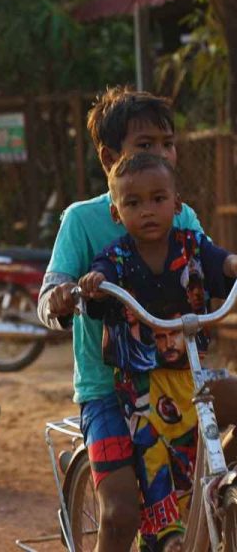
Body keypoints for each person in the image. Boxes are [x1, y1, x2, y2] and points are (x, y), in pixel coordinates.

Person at [37, 86, 237, 551]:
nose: (163, 153)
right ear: (109, 157)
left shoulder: (181, 214)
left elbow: (210, 262)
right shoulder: (83, 221)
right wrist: (64, 296)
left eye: (168, 143)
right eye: (145, 145)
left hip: (182, 375)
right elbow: (48, 296)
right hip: (109, 387)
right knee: (122, 510)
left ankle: (210, 483)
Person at [79, 153, 237, 551]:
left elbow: (219, 262)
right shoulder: (114, 259)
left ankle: (203, 522)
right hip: (139, 383)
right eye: (133, 203)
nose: (147, 210)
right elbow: (98, 293)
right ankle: (165, 538)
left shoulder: (192, 245)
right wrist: (95, 284)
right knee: (154, 458)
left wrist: (233, 263)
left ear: (177, 204)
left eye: (157, 199)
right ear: (116, 212)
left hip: (189, 373)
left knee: (194, 453)